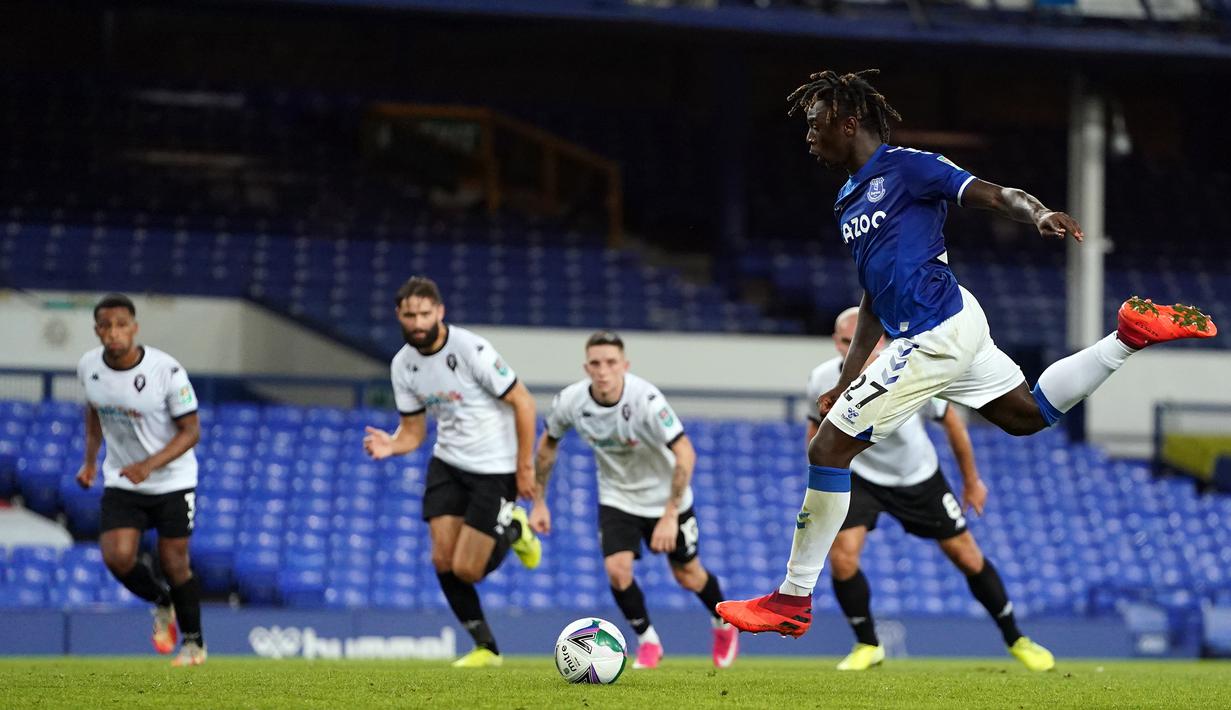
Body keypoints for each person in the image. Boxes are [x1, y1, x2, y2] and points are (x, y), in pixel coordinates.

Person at [717, 69, 1217, 641]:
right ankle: (1126, 336)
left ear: (848, 122)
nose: (808, 135)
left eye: (814, 122)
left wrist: (1037, 214)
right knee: (1026, 415)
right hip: (946, 323)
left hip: (935, 331)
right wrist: (846, 378)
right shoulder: (848, 199)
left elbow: (992, 193)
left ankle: (792, 599)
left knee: (827, 448)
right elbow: (873, 299)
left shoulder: (906, 166)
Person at [809, 307, 1053, 671]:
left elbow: (952, 425)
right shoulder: (821, 379)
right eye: (847, 342)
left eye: (865, 341)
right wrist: (817, 477)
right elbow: (815, 429)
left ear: (881, 341)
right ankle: (867, 645)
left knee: (966, 557)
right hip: (861, 475)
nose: (855, 349)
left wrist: (971, 481)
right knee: (842, 558)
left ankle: (1016, 637)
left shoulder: (910, 366)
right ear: (837, 343)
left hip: (917, 476)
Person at [362, 276, 542, 668]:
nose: (417, 322)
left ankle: (513, 529)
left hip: (495, 469)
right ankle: (486, 649)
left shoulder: (471, 349)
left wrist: (524, 467)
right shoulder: (403, 365)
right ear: (399, 316)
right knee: (442, 561)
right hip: (448, 463)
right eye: (410, 315)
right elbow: (413, 431)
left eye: (425, 313)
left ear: (440, 312)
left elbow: (524, 403)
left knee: (468, 569)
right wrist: (392, 445)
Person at [531, 331, 739, 669]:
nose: (603, 371)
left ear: (624, 366)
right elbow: (547, 446)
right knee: (617, 569)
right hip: (618, 497)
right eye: (596, 363)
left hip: (666, 498)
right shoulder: (570, 402)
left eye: (611, 363)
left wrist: (670, 515)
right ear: (586, 367)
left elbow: (685, 452)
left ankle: (723, 623)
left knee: (687, 575)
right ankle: (648, 642)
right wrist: (539, 501)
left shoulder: (646, 401)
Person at [76, 293, 207, 666]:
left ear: (134, 328)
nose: (113, 333)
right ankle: (161, 600)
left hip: (172, 480)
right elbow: (94, 412)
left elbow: (191, 431)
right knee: (116, 557)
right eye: (106, 326)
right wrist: (89, 462)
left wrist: (150, 465)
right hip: (122, 478)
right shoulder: (88, 366)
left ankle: (194, 644)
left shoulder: (167, 371)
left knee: (173, 561)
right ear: (97, 330)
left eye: (121, 325)